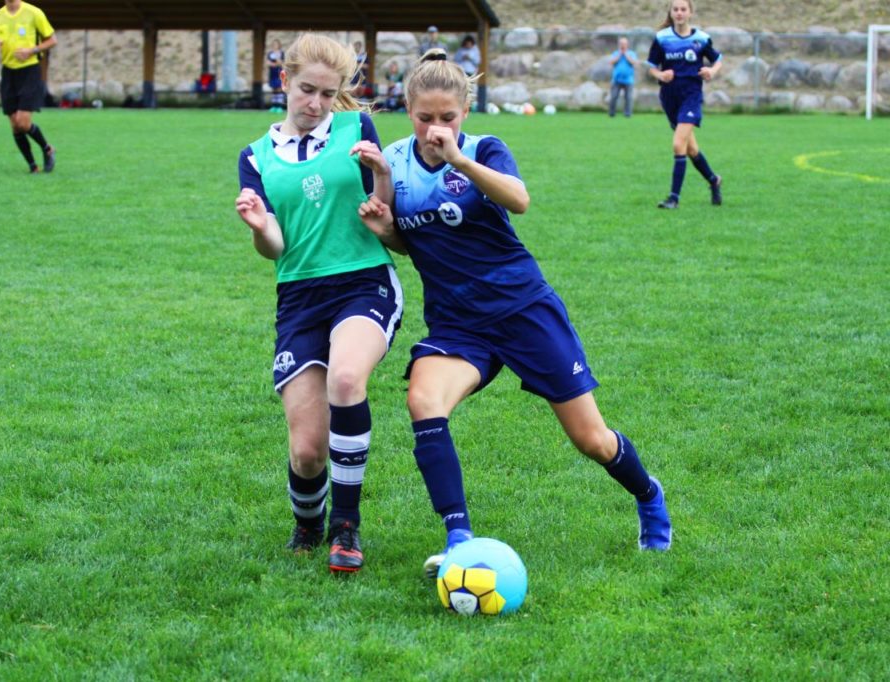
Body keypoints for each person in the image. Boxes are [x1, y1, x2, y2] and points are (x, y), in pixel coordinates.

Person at [358, 49, 672, 576]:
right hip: (459, 324)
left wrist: (460, 160)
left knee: (590, 439)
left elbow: (519, 200)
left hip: (524, 310)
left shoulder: (485, 149)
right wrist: (384, 225)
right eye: (426, 117)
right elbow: (411, 244)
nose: (437, 127)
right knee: (423, 400)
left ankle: (648, 495)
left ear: (465, 113)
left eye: (448, 117)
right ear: (408, 110)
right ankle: (459, 537)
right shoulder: (394, 163)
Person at [234, 33, 403, 574]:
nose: (316, 104)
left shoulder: (357, 129)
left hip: (363, 280)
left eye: (328, 95)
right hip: (300, 295)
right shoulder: (255, 157)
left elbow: (385, 210)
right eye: (307, 90)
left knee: (347, 380)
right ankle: (308, 524)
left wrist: (381, 172)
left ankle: (346, 527)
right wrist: (260, 226)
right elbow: (274, 250)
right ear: (284, 81)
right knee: (308, 450)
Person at [646, 0, 723, 208]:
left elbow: (718, 60)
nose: (679, 13)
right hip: (670, 98)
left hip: (691, 96)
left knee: (678, 144)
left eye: (683, 9)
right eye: (675, 9)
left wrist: (711, 71)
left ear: (690, 13)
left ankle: (674, 198)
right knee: (691, 149)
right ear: (671, 13)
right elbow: (651, 67)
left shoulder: (701, 38)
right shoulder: (662, 38)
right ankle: (714, 180)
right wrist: (661, 74)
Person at [0, 0, 58, 173]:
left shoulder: (33, 12)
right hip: (8, 73)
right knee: (14, 124)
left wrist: (31, 50)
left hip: (29, 71)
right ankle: (33, 166)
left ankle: (47, 149)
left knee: (23, 122)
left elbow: (52, 40)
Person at [608, 37, 637, 118]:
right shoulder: (615, 53)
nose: (623, 45)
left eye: (624, 44)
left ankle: (627, 114)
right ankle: (612, 113)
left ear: (627, 45)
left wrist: (626, 54)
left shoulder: (631, 53)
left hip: (628, 80)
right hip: (616, 79)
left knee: (628, 98)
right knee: (613, 96)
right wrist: (620, 54)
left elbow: (633, 62)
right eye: (621, 44)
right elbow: (611, 62)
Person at [267, 39, 284, 112]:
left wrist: (277, 59)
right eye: (273, 44)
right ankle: (274, 106)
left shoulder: (281, 53)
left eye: (276, 44)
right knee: (274, 89)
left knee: (279, 89)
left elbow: (281, 63)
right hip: (272, 74)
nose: (275, 46)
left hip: (279, 73)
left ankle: (279, 106)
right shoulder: (270, 53)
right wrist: (275, 64)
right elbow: (268, 63)